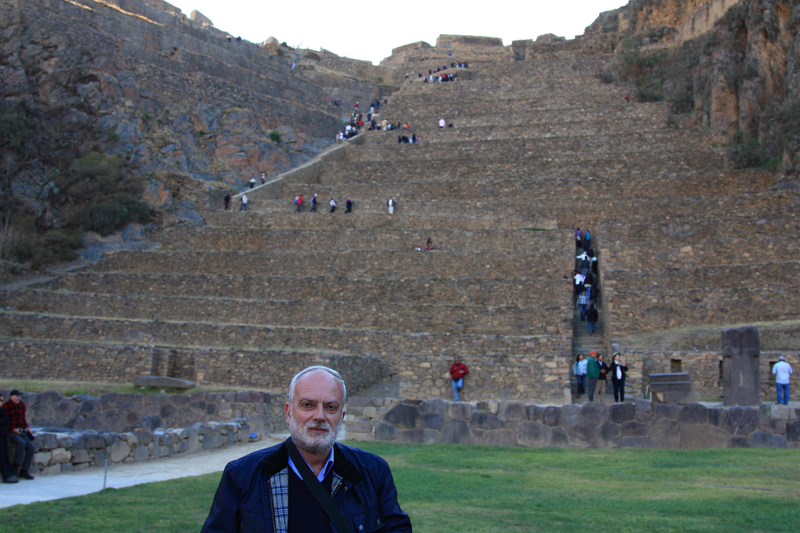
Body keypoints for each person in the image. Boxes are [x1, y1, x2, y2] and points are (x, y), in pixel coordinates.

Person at [201, 366, 412, 533]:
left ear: (342, 417)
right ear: (288, 412)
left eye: (331, 407)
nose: (320, 416)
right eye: (308, 405)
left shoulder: (373, 472)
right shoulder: (242, 475)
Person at [2, 390, 34, 480]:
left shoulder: (21, 405)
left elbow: (23, 418)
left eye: (19, 396)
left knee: (31, 447)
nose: (18, 398)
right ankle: (16, 466)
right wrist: (13, 429)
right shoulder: (6, 406)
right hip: (11, 431)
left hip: (21, 430)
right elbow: (5, 421)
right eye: (16, 396)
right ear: (11, 397)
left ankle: (24, 470)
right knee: (21, 443)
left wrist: (26, 427)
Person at [0, 393, 18, 483]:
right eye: (0, 400)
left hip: (3, 434)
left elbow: (7, 420)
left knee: (6, 454)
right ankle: (6, 476)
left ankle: (10, 473)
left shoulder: (1, 410)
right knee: (1, 455)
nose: (2, 402)